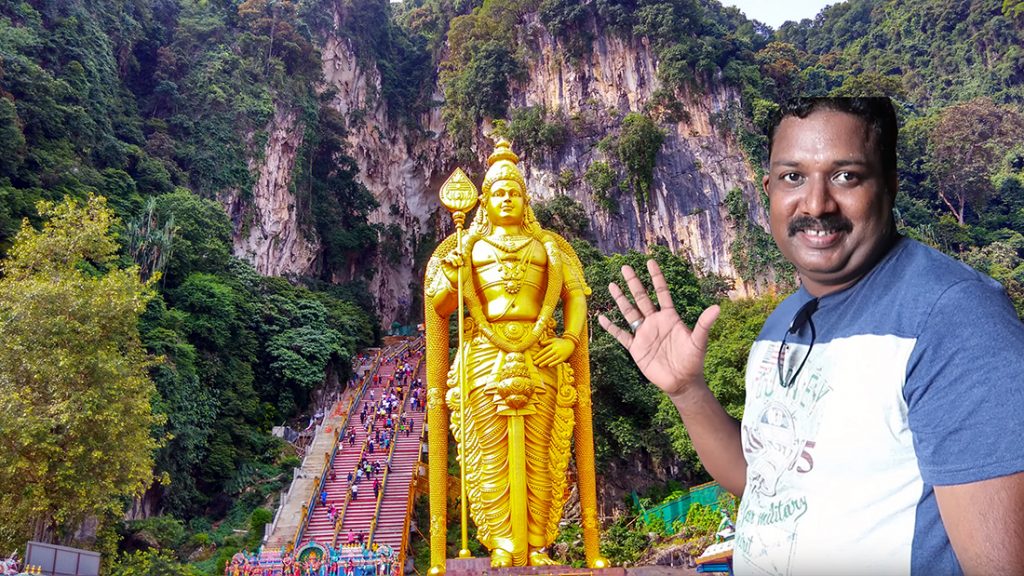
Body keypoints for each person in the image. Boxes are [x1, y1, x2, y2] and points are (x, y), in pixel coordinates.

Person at [599, 97, 1024, 574]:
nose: (817, 204)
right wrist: (687, 391)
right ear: (768, 190)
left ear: (890, 185)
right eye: (793, 177)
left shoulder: (955, 318)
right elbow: (766, 484)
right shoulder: (781, 322)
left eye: (846, 176)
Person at [424, 140, 607, 570]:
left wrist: (570, 338)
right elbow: (439, 304)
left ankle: (539, 543)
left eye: (515, 192)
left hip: (540, 350)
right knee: (490, 454)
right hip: (485, 356)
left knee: (544, 451)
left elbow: (575, 295)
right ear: (484, 201)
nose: (507, 199)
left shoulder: (549, 247)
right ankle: (501, 543)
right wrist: (452, 274)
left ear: (526, 200)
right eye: (499, 193)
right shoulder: (467, 247)